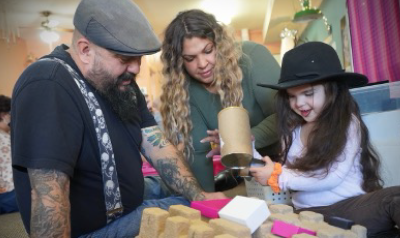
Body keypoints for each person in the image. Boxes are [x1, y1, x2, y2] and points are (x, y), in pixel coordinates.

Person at [11, 0, 225, 237]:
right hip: (97, 229)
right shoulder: (48, 83)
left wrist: (199, 194)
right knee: (193, 216)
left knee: (193, 199)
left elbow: (157, 145)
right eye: (124, 59)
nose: (135, 69)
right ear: (85, 50)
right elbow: (47, 195)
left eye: (139, 59)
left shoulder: (122, 84)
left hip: (128, 203)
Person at [252, 41, 400, 236]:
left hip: (350, 209)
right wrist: (246, 146)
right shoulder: (294, 131)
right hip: (307, 214)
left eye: (308, 93)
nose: (299, 103)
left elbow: (329, 177)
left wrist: (278, 176)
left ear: (332, 91)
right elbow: (272, 171)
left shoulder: (348, 124)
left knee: (395, 197)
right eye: (292, 96)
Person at [160, 9, 280, 192]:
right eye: (190, 58)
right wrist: (205, 199)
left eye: (208, 51)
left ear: (219, 44)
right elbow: (200, 153)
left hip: (287, 164)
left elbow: (285, 116)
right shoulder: (186, 91)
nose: (202, 64)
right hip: (245, 173)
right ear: (179, 61)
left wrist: (239, 141)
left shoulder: (253, 57)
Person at [0, 95, 18, 214]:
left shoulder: (8, 135)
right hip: (8, 194)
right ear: (3, 115)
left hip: (15, 191)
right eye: (10, 113)